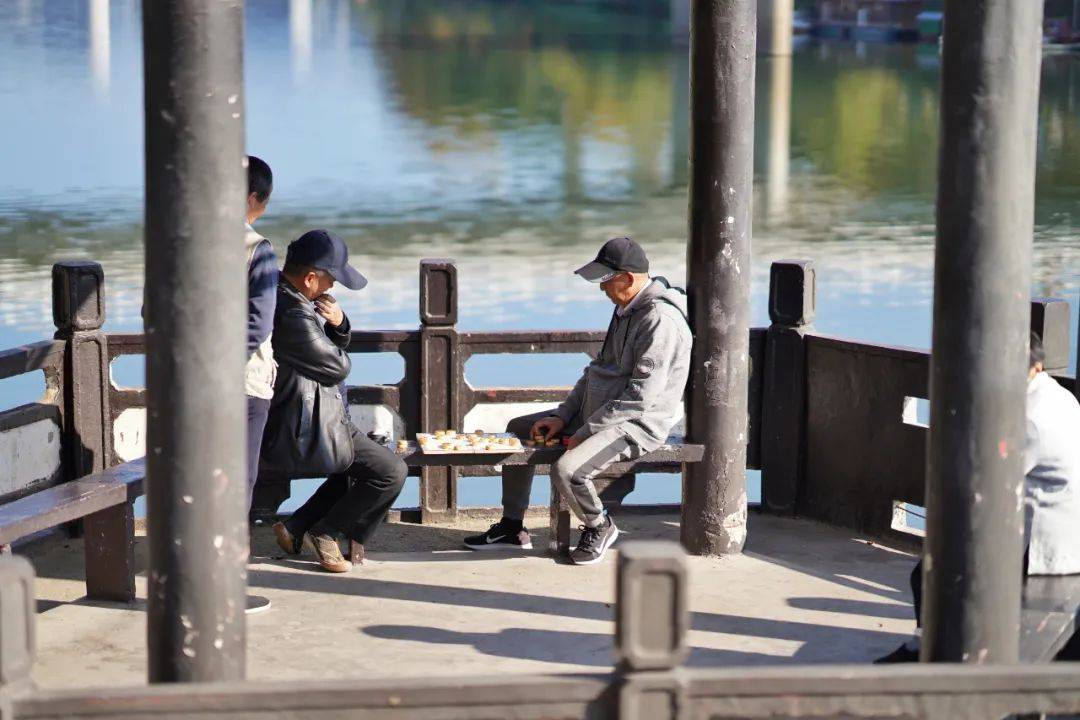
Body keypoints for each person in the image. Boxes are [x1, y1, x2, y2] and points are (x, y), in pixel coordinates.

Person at [463, 237, 692, 565]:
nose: (601, 289)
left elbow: (641, 399)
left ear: (627, 279)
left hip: (636, 425)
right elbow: (595, 371)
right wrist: (562, 415)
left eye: (604, 281)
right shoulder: (624, 308)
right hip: (597, 413)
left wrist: (585, 430)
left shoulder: (660, 321)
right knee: (519, 430)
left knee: (568, 470)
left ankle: (598, 525)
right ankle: (512, 527)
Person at [875, 332, 1080, 662]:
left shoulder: (1027, 419)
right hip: (1064, 534)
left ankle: (933, 651)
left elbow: (984, 483)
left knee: (934, 569)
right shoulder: (1058, 397)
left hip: (1044, 549)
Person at [264, 229, 407, 573]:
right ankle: (328, 532)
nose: (332, 288)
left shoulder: (286, 298)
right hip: (300, 423)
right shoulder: (292, 314)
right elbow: (336, 366)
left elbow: (326, 357)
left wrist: (339, 325)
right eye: (330, 280)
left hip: (314, 412)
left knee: (363, 466)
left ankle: (296, 527)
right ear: (311, 277)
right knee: (390, 471)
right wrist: (336, 335)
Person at [243, 155, 279, 511]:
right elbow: (257, 324)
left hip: (182, 383)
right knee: (239, 478)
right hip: (241, 384)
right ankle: (229, 555)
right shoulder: (257, 250)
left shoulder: (174, 239)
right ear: (254, 199)